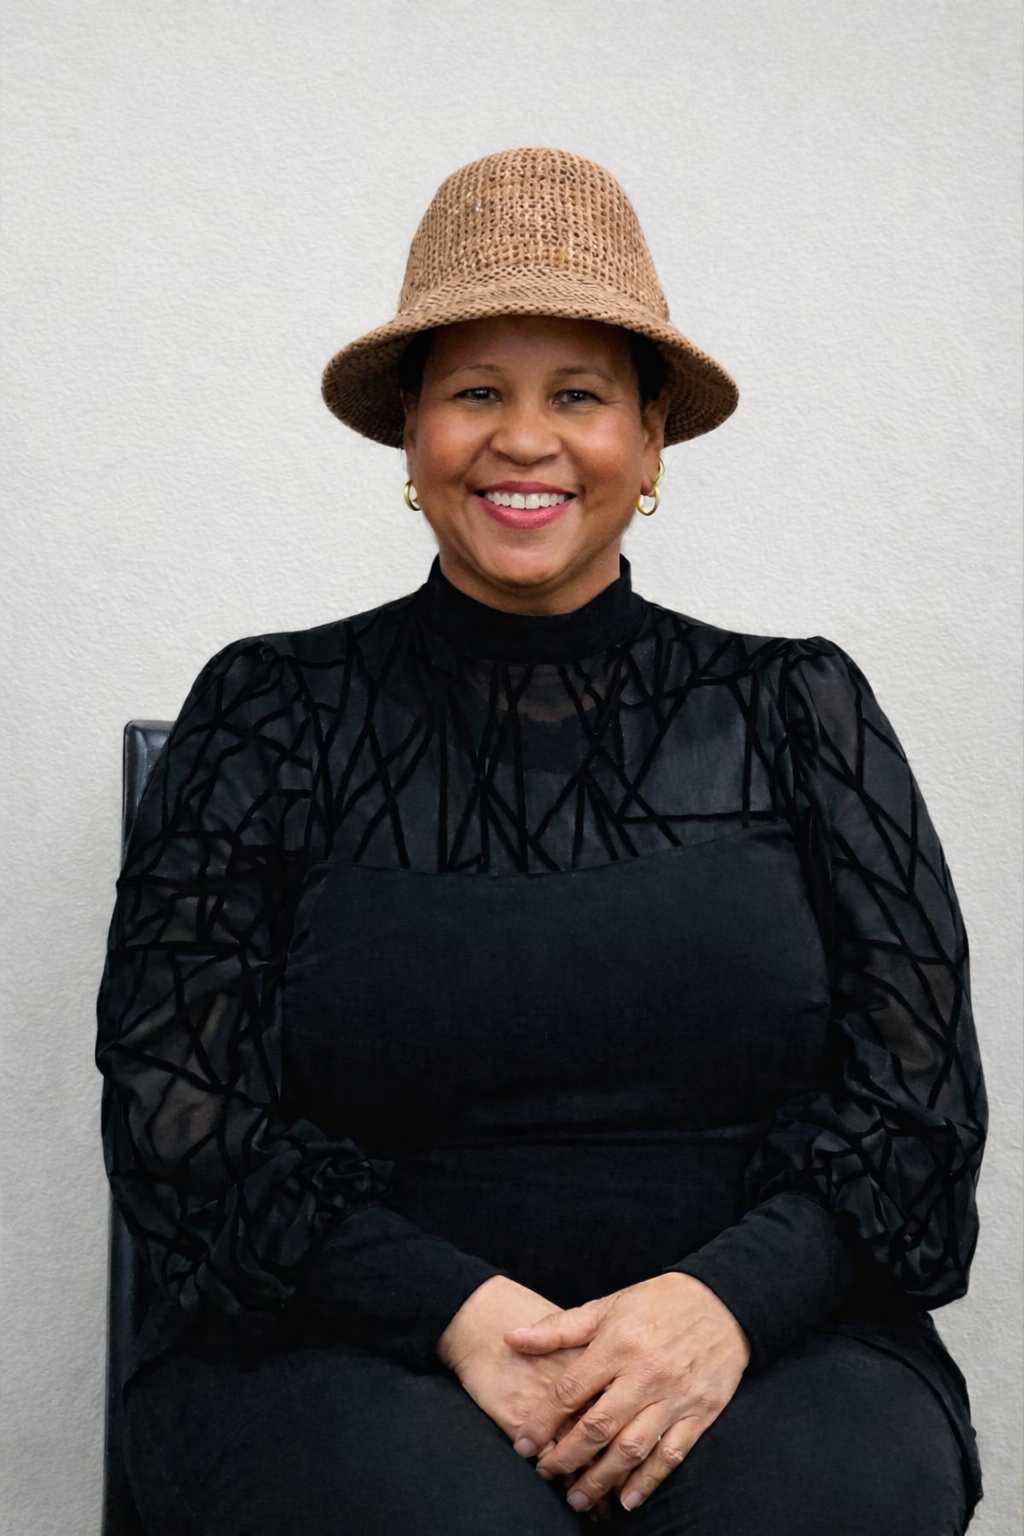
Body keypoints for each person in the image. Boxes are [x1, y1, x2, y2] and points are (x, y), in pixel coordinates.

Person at [95, 146, 986, 1535]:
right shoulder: (269, 711)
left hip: (760, 1342)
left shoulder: (803, 705)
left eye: (578, 394)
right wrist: (452, 1313)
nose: (526, 439)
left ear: (648, 442)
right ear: (413, 439)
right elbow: (173, 1113)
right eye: (474, 393)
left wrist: (722, 1303)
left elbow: (917, 1111)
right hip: (337, 1342)